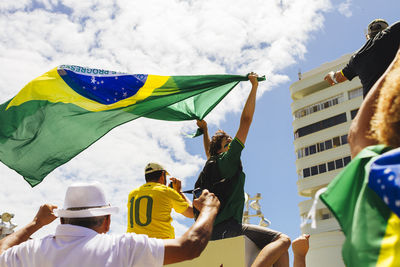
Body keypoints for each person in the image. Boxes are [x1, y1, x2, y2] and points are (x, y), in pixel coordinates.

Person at [0, 182, 220, 267]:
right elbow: (190, 246)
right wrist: (209, 209)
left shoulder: (30, 252)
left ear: (63, 218)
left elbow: (2, 250)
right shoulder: (123, 248)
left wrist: (36, 223)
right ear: (106, 222)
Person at [196, 72, 291, 266]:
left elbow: (209, 152)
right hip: (228, 229)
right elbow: (246, 120)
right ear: (223, 149)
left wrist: (205, 131)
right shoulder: (229, 159)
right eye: (228, 142)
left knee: (276, 248)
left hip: (209, 232)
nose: (232, 143)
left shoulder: (212, 165)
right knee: (282, 240)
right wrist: (254, 86)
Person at [324, 19, 400, 98]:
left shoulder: (356, 58)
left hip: (373, 106)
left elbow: (339, 77)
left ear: (368, 36)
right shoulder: (391, 34)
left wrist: (331, 75)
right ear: (386, 28)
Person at [127, 162, 193, 239]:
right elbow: (191, 213)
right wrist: (178, 192)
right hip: (160, 245)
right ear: (162, 175)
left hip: (134, 244)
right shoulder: (166, 191)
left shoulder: (132, 194)